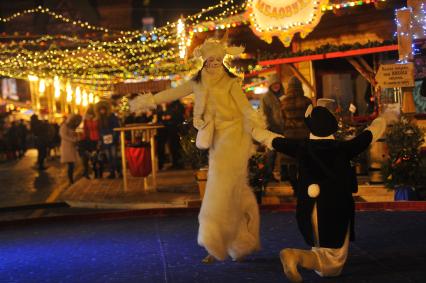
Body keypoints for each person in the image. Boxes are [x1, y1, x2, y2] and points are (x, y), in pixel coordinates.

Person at [130, 33, 264, 262]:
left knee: (219, 189)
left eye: (218, 61)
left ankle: (214, 239)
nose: (214, 64)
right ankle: (238, 241)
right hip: (215, 138)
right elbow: (173, 92)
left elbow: (245, 109)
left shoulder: (231, 83)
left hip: (233, 137)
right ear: (204, 60)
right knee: (231, 190)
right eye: (211, 60)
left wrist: (259, 129)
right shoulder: (197, 82)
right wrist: (148, 100)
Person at [252, 105, 386, 282]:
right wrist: (382, 118)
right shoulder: (344, 148)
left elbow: (272, 139)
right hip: (335, 208)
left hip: (309, 207)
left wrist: (250, 128)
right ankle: (295, 256)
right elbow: (370, 135)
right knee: (333, 263)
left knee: (320, 246)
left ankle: (303, 258)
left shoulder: (302, 147)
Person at [280, 76, 312, 190]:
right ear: (300, 87)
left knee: (291, 162)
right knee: (303, 161)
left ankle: (295, 187)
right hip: (304, 134)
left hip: (289, 134)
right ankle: (303, 186)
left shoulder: (283, 102)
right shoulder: (307, 101)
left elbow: (281, 118)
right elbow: (310, 118)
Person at [260, 77, 285, 183]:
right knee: (271, 153)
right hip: (272, 128)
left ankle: (283, 174)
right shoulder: (266, 98)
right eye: (274, 84)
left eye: (278, 84)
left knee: (283, 153)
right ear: (270, 85)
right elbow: (264, 113)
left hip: (283, 128)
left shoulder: (284, 96)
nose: (276, 86)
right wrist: (267, 126)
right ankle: (268, 175)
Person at [96, 100, 120, 179]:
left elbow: (116, 127)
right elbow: (99, 129)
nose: (102, 111)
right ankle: (112, 172)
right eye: (100, 110)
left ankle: (119, 172)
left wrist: (114, 135)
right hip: (105, 140)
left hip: (112, 139)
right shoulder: (100, 119)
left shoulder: (112, 116)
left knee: (114, 156)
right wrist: (101, 137)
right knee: (109, 157)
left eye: (103, 109)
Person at [60, 114, 82, 185]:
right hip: (66, 147)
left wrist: (77, 137)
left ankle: (71, 179)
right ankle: (70, 179)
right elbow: (64, 136)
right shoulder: (64, 126)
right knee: (70, 164)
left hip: (72, 147)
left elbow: (73, 134)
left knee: (72, 164)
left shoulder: (71, 127)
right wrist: (74, 139)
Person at [163, 100, 185, 169]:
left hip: (174, 129)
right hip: (175, 129)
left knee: (175, 147)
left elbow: (171, 116)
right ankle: (177, 163)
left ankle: (177, 164)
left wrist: (168, 117)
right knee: (175, 147)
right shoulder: (177, 105)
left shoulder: (175, 106)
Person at [81, 105, 100, 178]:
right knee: (88, 157)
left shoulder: (97, 119)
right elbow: (85, 129)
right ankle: (87, 172)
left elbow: (99, 128)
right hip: (89, 140)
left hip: (96, 139)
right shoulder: (86, 120)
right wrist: (83, 138)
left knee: (96, 157)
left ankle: (96, 172)